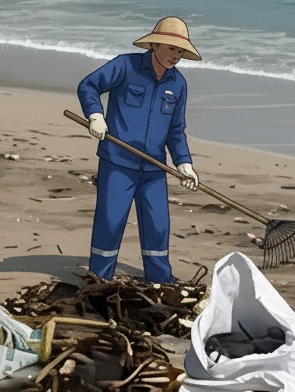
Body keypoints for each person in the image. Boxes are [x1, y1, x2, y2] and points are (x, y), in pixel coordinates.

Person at [76, 16, 202, 282]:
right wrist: (95, 115)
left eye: (180, 51)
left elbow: (176, 129)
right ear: (154, 45)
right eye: (171, 48)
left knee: (157, 226)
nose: (175, 56)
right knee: (110, 223)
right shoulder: (125, 65)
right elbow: (89, 85)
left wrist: (184, 163)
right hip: (118, 163)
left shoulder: (178, 84)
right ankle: (99, 277)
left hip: (155, 167)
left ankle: (159, 278)